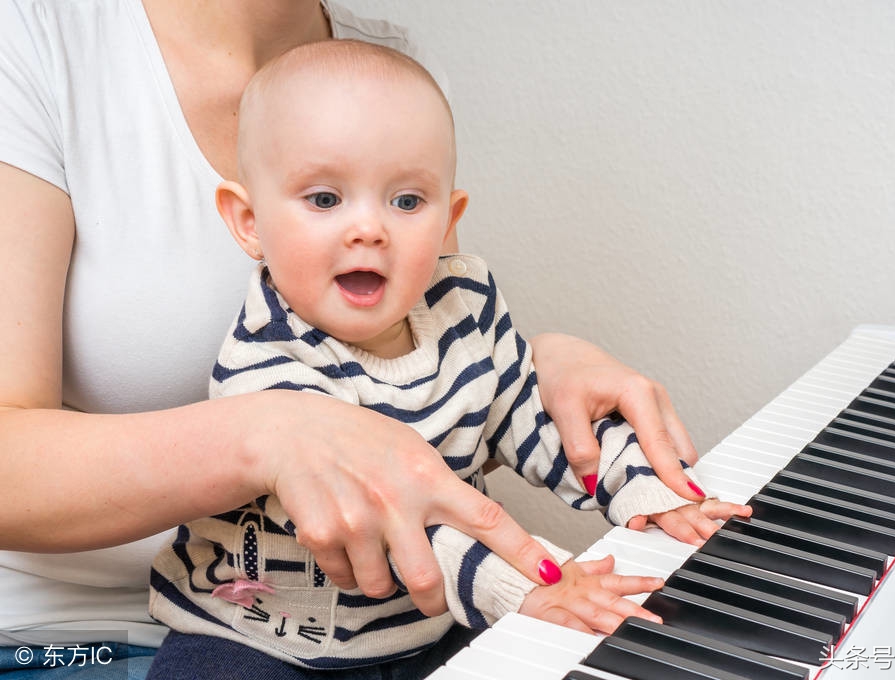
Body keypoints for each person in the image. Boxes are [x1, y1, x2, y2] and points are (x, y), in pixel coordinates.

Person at [0, 1, 711, 677]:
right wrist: (525, 583)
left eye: (405, 201)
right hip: (221, 636)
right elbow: (388, 499)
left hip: (412, 621)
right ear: (245, 221)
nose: (368, 228)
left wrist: (642, 487)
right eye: (323, 199)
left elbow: (458, 438)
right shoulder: (265, 354)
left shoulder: (381, 69)